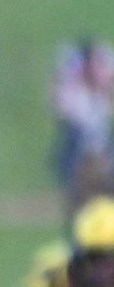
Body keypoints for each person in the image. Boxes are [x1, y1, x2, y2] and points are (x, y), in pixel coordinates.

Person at [51, 37, 114, 190]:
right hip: (80, 133)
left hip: (97, 132)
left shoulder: (100, 86)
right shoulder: (75, 84)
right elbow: (64, 109)